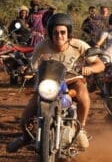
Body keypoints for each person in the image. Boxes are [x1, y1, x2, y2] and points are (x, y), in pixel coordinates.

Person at [6, 13, 105, 153]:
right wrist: (27, 71)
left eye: (63, 32)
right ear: (50, 33)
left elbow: (100, 65)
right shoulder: (42, 46)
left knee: (83, 94)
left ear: (68, 33)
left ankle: (80, 129)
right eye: (55, 33)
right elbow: (33, 65)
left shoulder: (79, 45)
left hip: (72, 81)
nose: (59, 36)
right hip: (47, 83)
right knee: (25, 120)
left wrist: (90, 68)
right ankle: (26, 137)